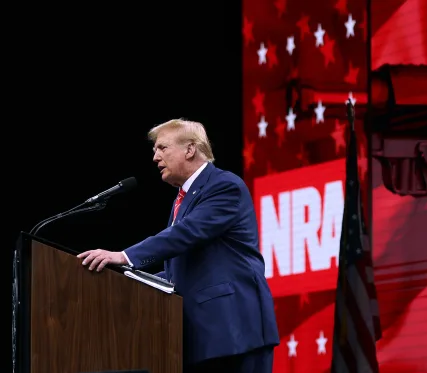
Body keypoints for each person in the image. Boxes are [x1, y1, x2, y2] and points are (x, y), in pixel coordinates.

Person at [77, 118, 280, 373]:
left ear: (190, 149)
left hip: (235, 328)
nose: (155, 157)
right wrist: (130, 280)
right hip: (207, 335)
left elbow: (186, 233)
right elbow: (180, 269)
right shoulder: (183, 199)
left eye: (162, 148)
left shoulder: (224, 186)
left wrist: (125, 256)